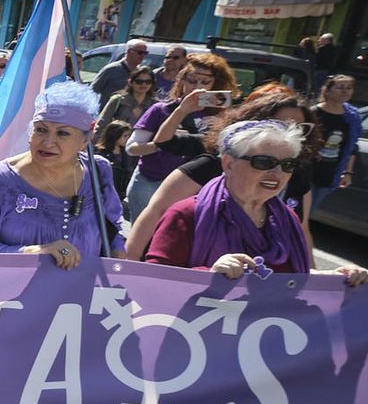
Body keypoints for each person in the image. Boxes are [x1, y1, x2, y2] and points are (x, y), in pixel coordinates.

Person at [144, 119, 368, 287]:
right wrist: (210, 274)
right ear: (228, 163)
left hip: (266, 341)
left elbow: (290, 280)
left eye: (288, 165)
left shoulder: (287, 218)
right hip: (203, 339)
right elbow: (154, 282)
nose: (277, 174)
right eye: (264, 162)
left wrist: (338, 277)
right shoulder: (187, 213)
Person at [123, 86, 317, 261]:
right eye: (264, 163)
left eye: (301, 128)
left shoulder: (295, 175)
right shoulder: (208, 169)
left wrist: (316, 279)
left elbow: (303, 231)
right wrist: (128, 263)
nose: (292, 134)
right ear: (229, 164)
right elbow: (156, 211)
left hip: (265, 295)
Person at [0, 81, 127, 267]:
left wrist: (117, 253)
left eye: (63, 133)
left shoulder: (98, 169)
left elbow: (115, 225)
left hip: (81, 293)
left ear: (85, 140)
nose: (48, 142)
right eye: (41, 130)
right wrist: (34, 251)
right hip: (13, 294)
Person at [124, 53, 239, 218]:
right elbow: (132, 148)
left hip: (192, 185)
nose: (198, 86)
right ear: (182, 81)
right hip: (151, 182)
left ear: (216, 84)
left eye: (205, 82)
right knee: (144, 238)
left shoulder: (221, 116)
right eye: (192, 80)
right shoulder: (161, 110)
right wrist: (168, 143)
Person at [311, 74, 361, 200]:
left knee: (309, 212)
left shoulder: (352, 117)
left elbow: (352, 147)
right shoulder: (313, 113)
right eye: (340, 87)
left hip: (330, 174)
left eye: (349, 87)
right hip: (307, 171)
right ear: (327, 91)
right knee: (296, 212)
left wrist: (347, 173)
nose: (345, 91)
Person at [98, 65, 156, 131]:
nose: (144, 84)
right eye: (139, 81)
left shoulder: (155, 105)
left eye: (148, 82)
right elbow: (102, 124)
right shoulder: (118, 100)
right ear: (131, 82)